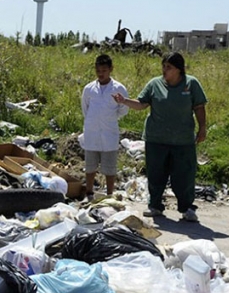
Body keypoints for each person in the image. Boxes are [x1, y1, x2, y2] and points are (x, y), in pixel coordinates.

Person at [113, 52, 207, 222]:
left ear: (179, 70)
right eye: (163, 66)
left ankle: (187, 209)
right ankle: (155, 206)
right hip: (156, 139)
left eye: (169, 67)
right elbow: (142, 104)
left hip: (183, 140)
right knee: (156, 174)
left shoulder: (191, 84)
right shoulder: (155, 84)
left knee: (184, 175)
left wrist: (202, 129)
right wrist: (124, 100)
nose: (164, 70)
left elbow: (199, 107)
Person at [81, 54, 128, 198]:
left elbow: (123, 109)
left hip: (109, 133)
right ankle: (89, 192)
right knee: (90, 166)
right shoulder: (89, 89)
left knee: (109, 167)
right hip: (92, 132)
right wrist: (94, 120)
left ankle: (109, 194)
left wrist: (109, 119)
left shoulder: (118, 88)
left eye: (104, 71)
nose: (101, 74)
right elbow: (85, 108)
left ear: (111, 69)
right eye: (98, 71)